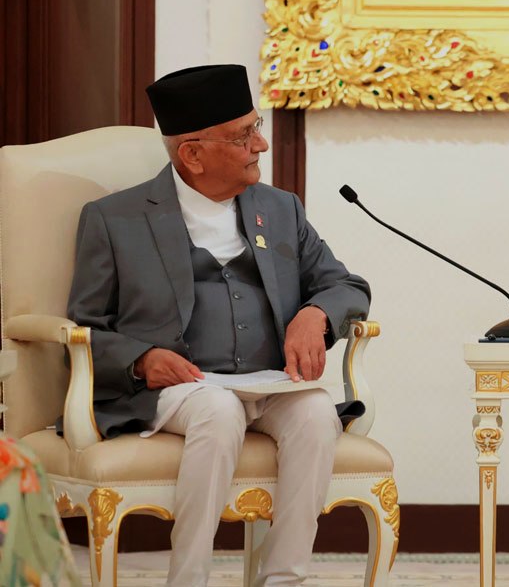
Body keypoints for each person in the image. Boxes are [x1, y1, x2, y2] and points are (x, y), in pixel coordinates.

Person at [67, 64, 371, 586]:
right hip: (181, 389)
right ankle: (188, 579)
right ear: (193, 154)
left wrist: (316, 314)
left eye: (257, 127)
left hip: (267, 383)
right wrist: (140, 360)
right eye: (243, 135)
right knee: (218, 408)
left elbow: (347, 286)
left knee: (317, 410)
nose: (261, 145)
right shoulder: (114, 219)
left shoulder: (280, 209)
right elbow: (84, 327)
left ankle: (284, 578)